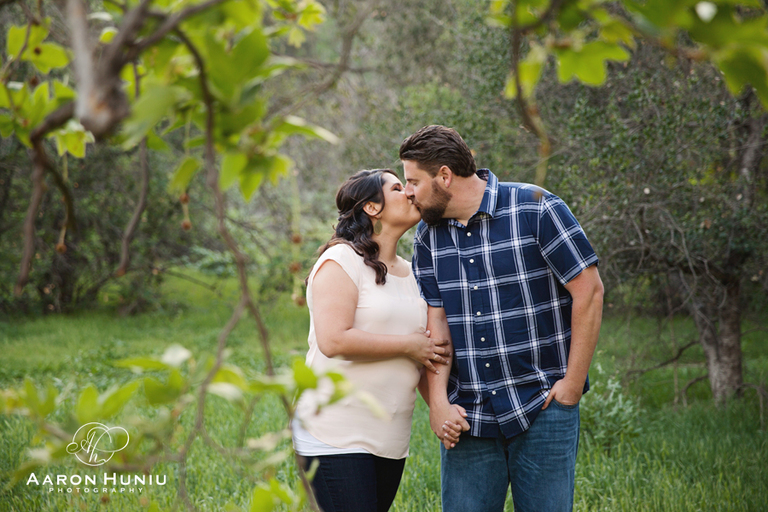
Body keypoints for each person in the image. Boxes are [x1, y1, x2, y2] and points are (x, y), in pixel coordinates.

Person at [400, 125, 604, 512]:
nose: (407, 191)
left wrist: (571, 386)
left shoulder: (536, 207)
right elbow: (437, 325)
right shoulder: (428, 237)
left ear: (444, 175)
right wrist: (439, 403)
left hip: (543, 406)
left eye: (413, 181)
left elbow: (589, 292)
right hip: (469, 417)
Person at [293, 169, 460, 512]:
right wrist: (408, 346)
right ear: (372, 208)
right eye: (398, 188)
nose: (410, 193)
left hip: (390, 437)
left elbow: (425, 353)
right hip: (335, 433)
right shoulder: (340, 260)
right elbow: (334, 340)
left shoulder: (414, 272)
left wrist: (440, 410)